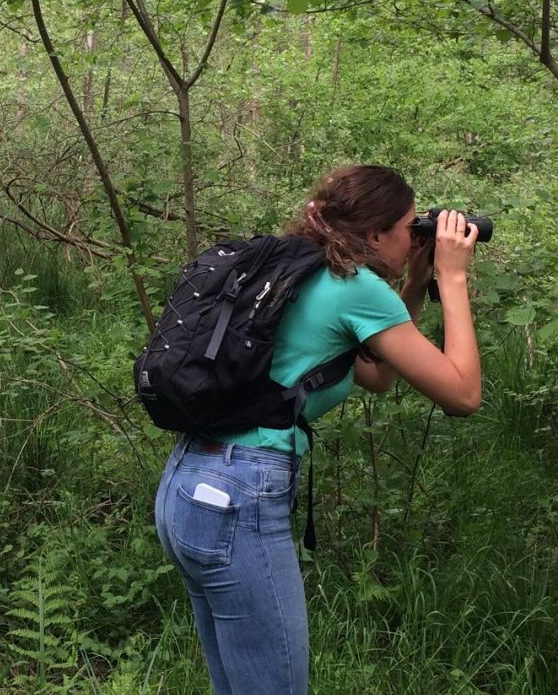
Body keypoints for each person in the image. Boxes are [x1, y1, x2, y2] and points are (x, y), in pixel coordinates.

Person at [153, 164, 483, 695]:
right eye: (407, 227)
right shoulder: (357, 287)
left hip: (190, 487)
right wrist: (455, 277)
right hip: (239, 498)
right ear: (374, 234)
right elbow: (463, 394)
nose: (413, 237)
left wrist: (418, 283)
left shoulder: (302, 270)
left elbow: (375, 375)